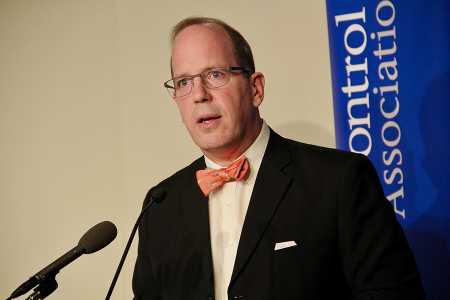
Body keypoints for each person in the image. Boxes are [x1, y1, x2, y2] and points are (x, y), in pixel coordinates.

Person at [132, 17, 424, 300]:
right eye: (184, 82)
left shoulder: (339, 181)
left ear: (255, 88)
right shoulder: (161, 205)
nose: (199, 95)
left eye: (215, 75)